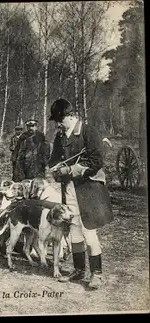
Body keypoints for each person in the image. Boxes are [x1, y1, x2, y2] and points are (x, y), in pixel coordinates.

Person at [48, 98, 114, 289]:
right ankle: (79, 270)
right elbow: (53, 161)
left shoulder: (88, 132)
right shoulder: (60, 137)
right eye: (57, 121)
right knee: (74, 232)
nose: (58, 124)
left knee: (89, 232)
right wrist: (55, 170)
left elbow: (96, 161)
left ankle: (97, 274)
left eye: (60, 119)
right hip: (69, 191)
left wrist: (70, 170)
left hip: (88, 191)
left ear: (70, 115)